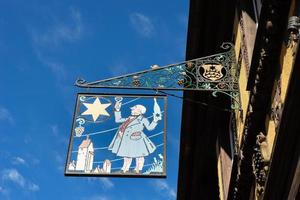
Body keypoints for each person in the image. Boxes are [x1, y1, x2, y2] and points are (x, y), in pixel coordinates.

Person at [108, 98, 161, 174]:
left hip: (137, 139)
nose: (132, 110)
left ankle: (138, 169)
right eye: (132, 109)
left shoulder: (142, 119)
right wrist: (117, 110)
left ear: (139, 111)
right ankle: (124, 169)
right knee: (126, 155)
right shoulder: (129, 118)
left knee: (139, 155)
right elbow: (118, 120)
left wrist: (155, 120)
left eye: (134, 109)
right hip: (125, 139)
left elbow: (149, 127)